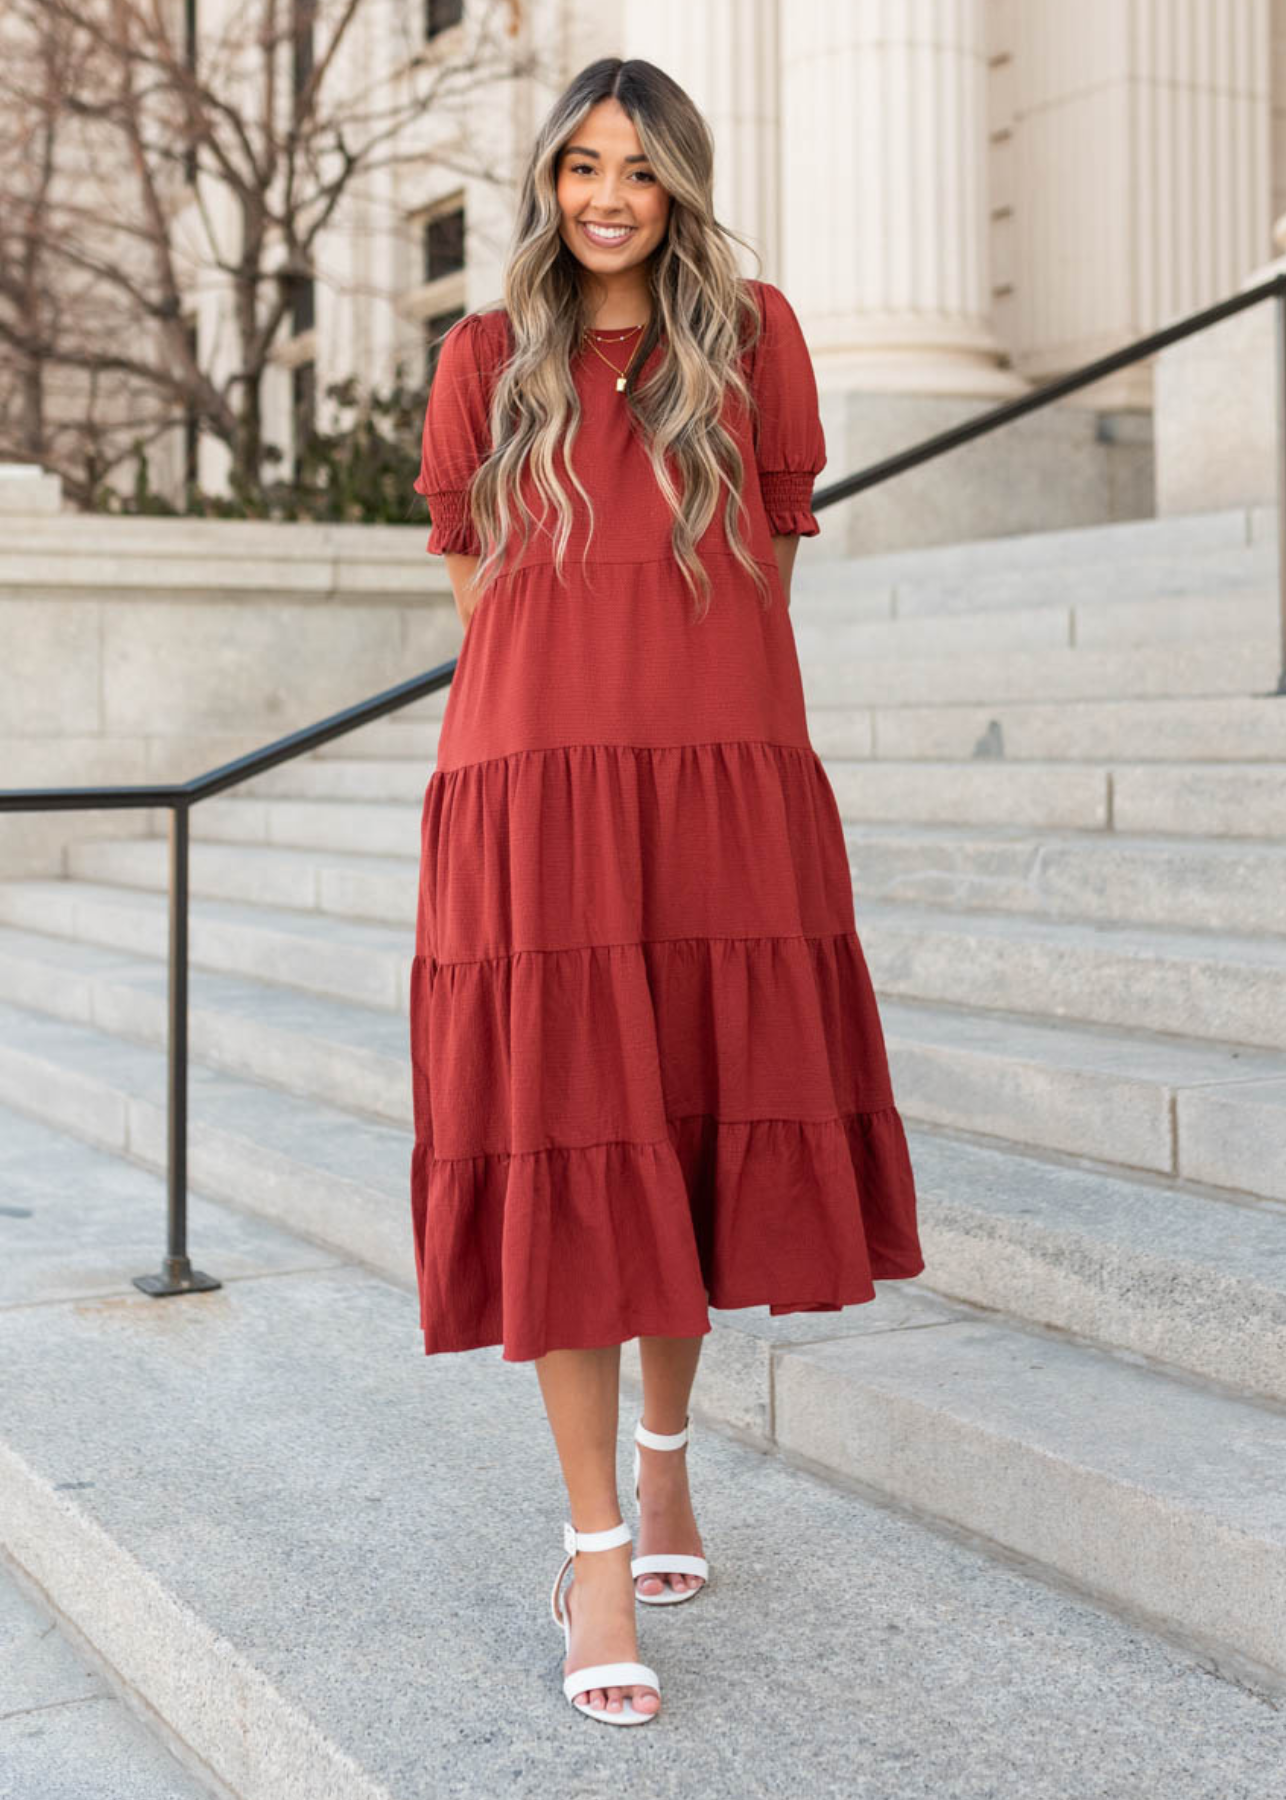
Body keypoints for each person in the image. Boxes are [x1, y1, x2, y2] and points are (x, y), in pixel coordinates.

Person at [409, 56, 924, 1727]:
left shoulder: (753, 338)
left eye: (635, 167)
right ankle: (594, 1549)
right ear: (547, 183)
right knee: (576, 1149)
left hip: (716, 777)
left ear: (680, 183)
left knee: (687, 1130)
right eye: (576, 165)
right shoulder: (484, 359)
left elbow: (762, 572)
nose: (604, 195)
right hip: (535, 790)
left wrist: (690, 730)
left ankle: (667, 1457)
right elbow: (486, 588)